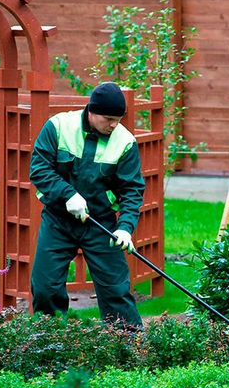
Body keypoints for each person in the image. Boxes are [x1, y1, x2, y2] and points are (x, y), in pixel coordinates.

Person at [30, 82, 145, 327]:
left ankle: (128, 351)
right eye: (109, 119)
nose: (114, 125)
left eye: (118, 119)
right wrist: (68, 195)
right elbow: (39, 170)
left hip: (101, 225)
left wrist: (125, 228)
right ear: (91, 111)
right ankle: (48, 346)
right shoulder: (58, 127)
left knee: (117, 291)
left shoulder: (125, 142)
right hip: (58, 221)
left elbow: (132, 191)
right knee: (45, 289)